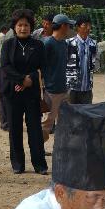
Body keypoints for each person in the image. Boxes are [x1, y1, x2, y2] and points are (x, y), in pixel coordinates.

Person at [0, 9, 47, 175]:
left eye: (26, 25)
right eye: (19, 25)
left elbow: (42, 67)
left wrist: (29, 80)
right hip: (12, 92)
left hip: (32, 94)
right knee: (14, 129)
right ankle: (18, 164)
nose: (23, 28)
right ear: (14, 27)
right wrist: (21, 80)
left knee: (34, 129)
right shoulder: (7, 45)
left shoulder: (38, 45)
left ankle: (40, 164)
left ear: (31, 27)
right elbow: (5, 67)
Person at [41, 14, 73, 143]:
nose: (70, 28)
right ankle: (38, 148)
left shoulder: (64, 44)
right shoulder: (48, 43)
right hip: (51, 89)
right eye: (69, 25)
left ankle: (62, 148)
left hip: (63, 88)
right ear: (63, 26)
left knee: (65, 120)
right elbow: (40, 66)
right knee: (47, 122)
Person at [66, 15, 98, 104]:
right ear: (78, 27)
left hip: (87, 87)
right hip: (72, 87)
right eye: (85, 25)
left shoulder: (93, 44)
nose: (88, 28)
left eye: (89, 25)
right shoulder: (69, 43)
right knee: (71, 113)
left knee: (86, 114)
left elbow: (95, 63)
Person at [0, 25, 11, 130]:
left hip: (4, 68)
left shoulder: (5, 34)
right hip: (4, 68)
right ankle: (6, 122)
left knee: (5, 95)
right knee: (5, 95)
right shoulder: (4, 35)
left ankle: (6, 122)